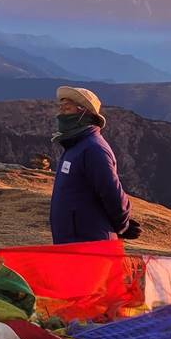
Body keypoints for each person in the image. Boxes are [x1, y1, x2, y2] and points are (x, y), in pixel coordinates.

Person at [49, 86, 140, 243]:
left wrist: (122, 225)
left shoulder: (93, 149)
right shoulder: (75, 146)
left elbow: (111, 192)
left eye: (67, 109)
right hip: (73, 240)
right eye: (61, 108)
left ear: (83, 113)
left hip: (89, 241)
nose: (61, 114)